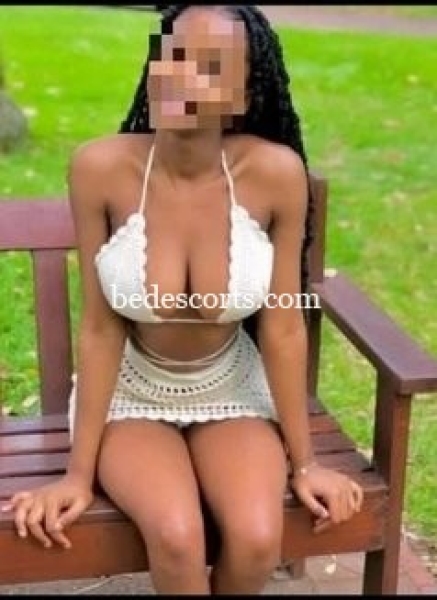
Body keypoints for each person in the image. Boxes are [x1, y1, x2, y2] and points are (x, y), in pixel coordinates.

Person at [2, 5, 363, 595]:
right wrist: (76, 475)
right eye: (172, 54)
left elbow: (283, 328)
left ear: (244, 95)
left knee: (256, 537)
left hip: (231, 387)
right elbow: (99, 329)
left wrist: (307, 463)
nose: (179, 75)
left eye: (209, 67)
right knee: (175, 536)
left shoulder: (275, 174)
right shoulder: (100, 168)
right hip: (130, 394)